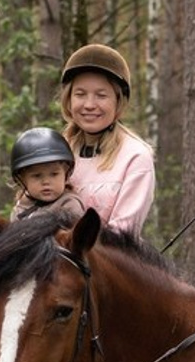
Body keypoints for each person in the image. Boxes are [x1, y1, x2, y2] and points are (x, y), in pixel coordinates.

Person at [59, 44, 155, 239]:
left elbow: (123, 233)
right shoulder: (57, 150)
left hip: (105, 264)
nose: (89, 105)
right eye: (80, 94)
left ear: (118, 101)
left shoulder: (135, 157)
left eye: (101, 95)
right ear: (68, 99)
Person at [9, 127, 85, 222]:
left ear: (66, 173)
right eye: (37, 176)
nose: (46, 182)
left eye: (54, 174)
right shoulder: (20, 209)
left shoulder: (70, 205)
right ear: (22, 179)